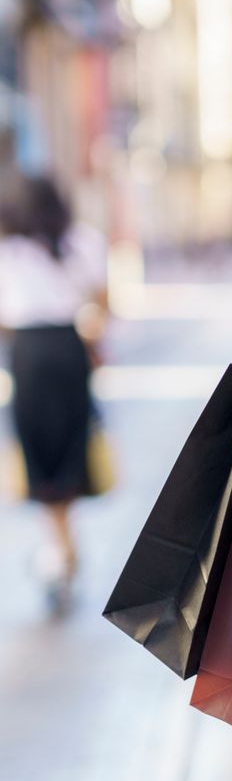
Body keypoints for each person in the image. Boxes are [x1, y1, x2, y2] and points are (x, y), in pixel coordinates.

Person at [0, 172, 108, 614]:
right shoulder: (81, 241)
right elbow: (101, 299)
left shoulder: (9, 250)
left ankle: (60, 549)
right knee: (69, 443)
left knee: (39, 447)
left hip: (27, 352)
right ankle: (63, 547)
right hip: (69, 347)